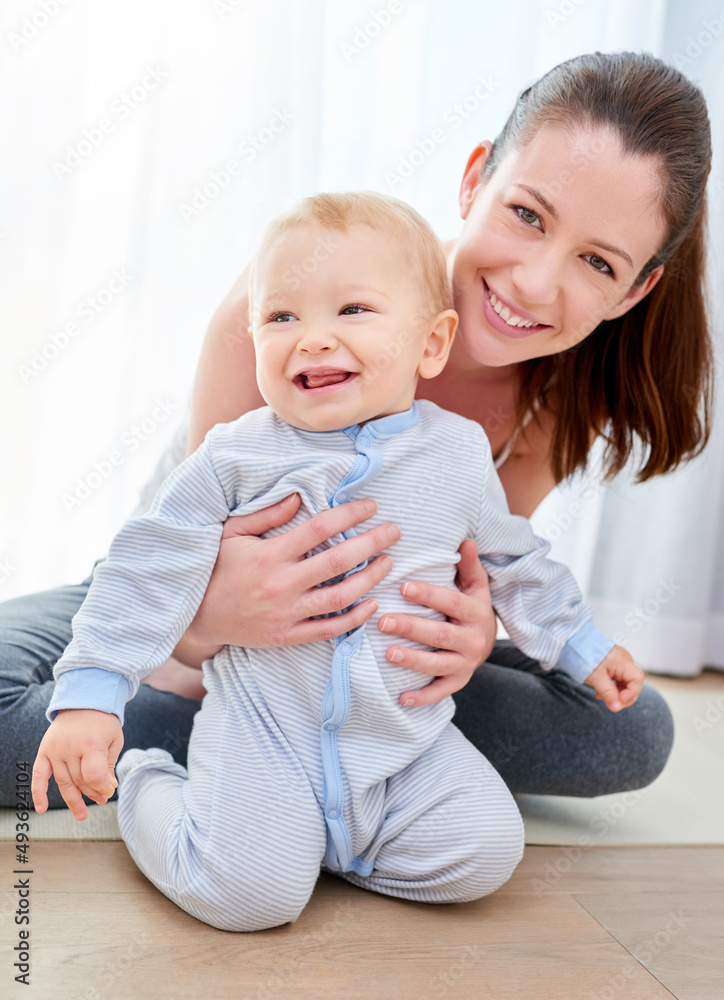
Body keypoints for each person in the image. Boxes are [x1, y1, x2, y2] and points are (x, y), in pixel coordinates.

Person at [0, 51, 712, 808]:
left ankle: (296, 774)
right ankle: (298, 772)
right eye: (527, 215)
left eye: (597, 263)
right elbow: (190, 568)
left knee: (632, 728)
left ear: (636, 290)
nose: (535, 282)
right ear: (475, 180)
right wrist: (187, 638)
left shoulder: (559, 398)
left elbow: (481, 564)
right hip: (183, 597)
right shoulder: (306, 293)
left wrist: (469, 637)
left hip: (374, 657)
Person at [32, 192, 644, 932]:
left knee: (486, 851)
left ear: (431, 344)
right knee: (248, 899)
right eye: (282, 318)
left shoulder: (455, 453)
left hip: (400, 740)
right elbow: (145, 568)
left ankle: (322, 840)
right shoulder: (235, 454)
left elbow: (518, 561)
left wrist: (582, 647)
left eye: (352, 311)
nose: (313, 339)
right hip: (268, 732)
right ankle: (151, 780)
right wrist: (92, 696)